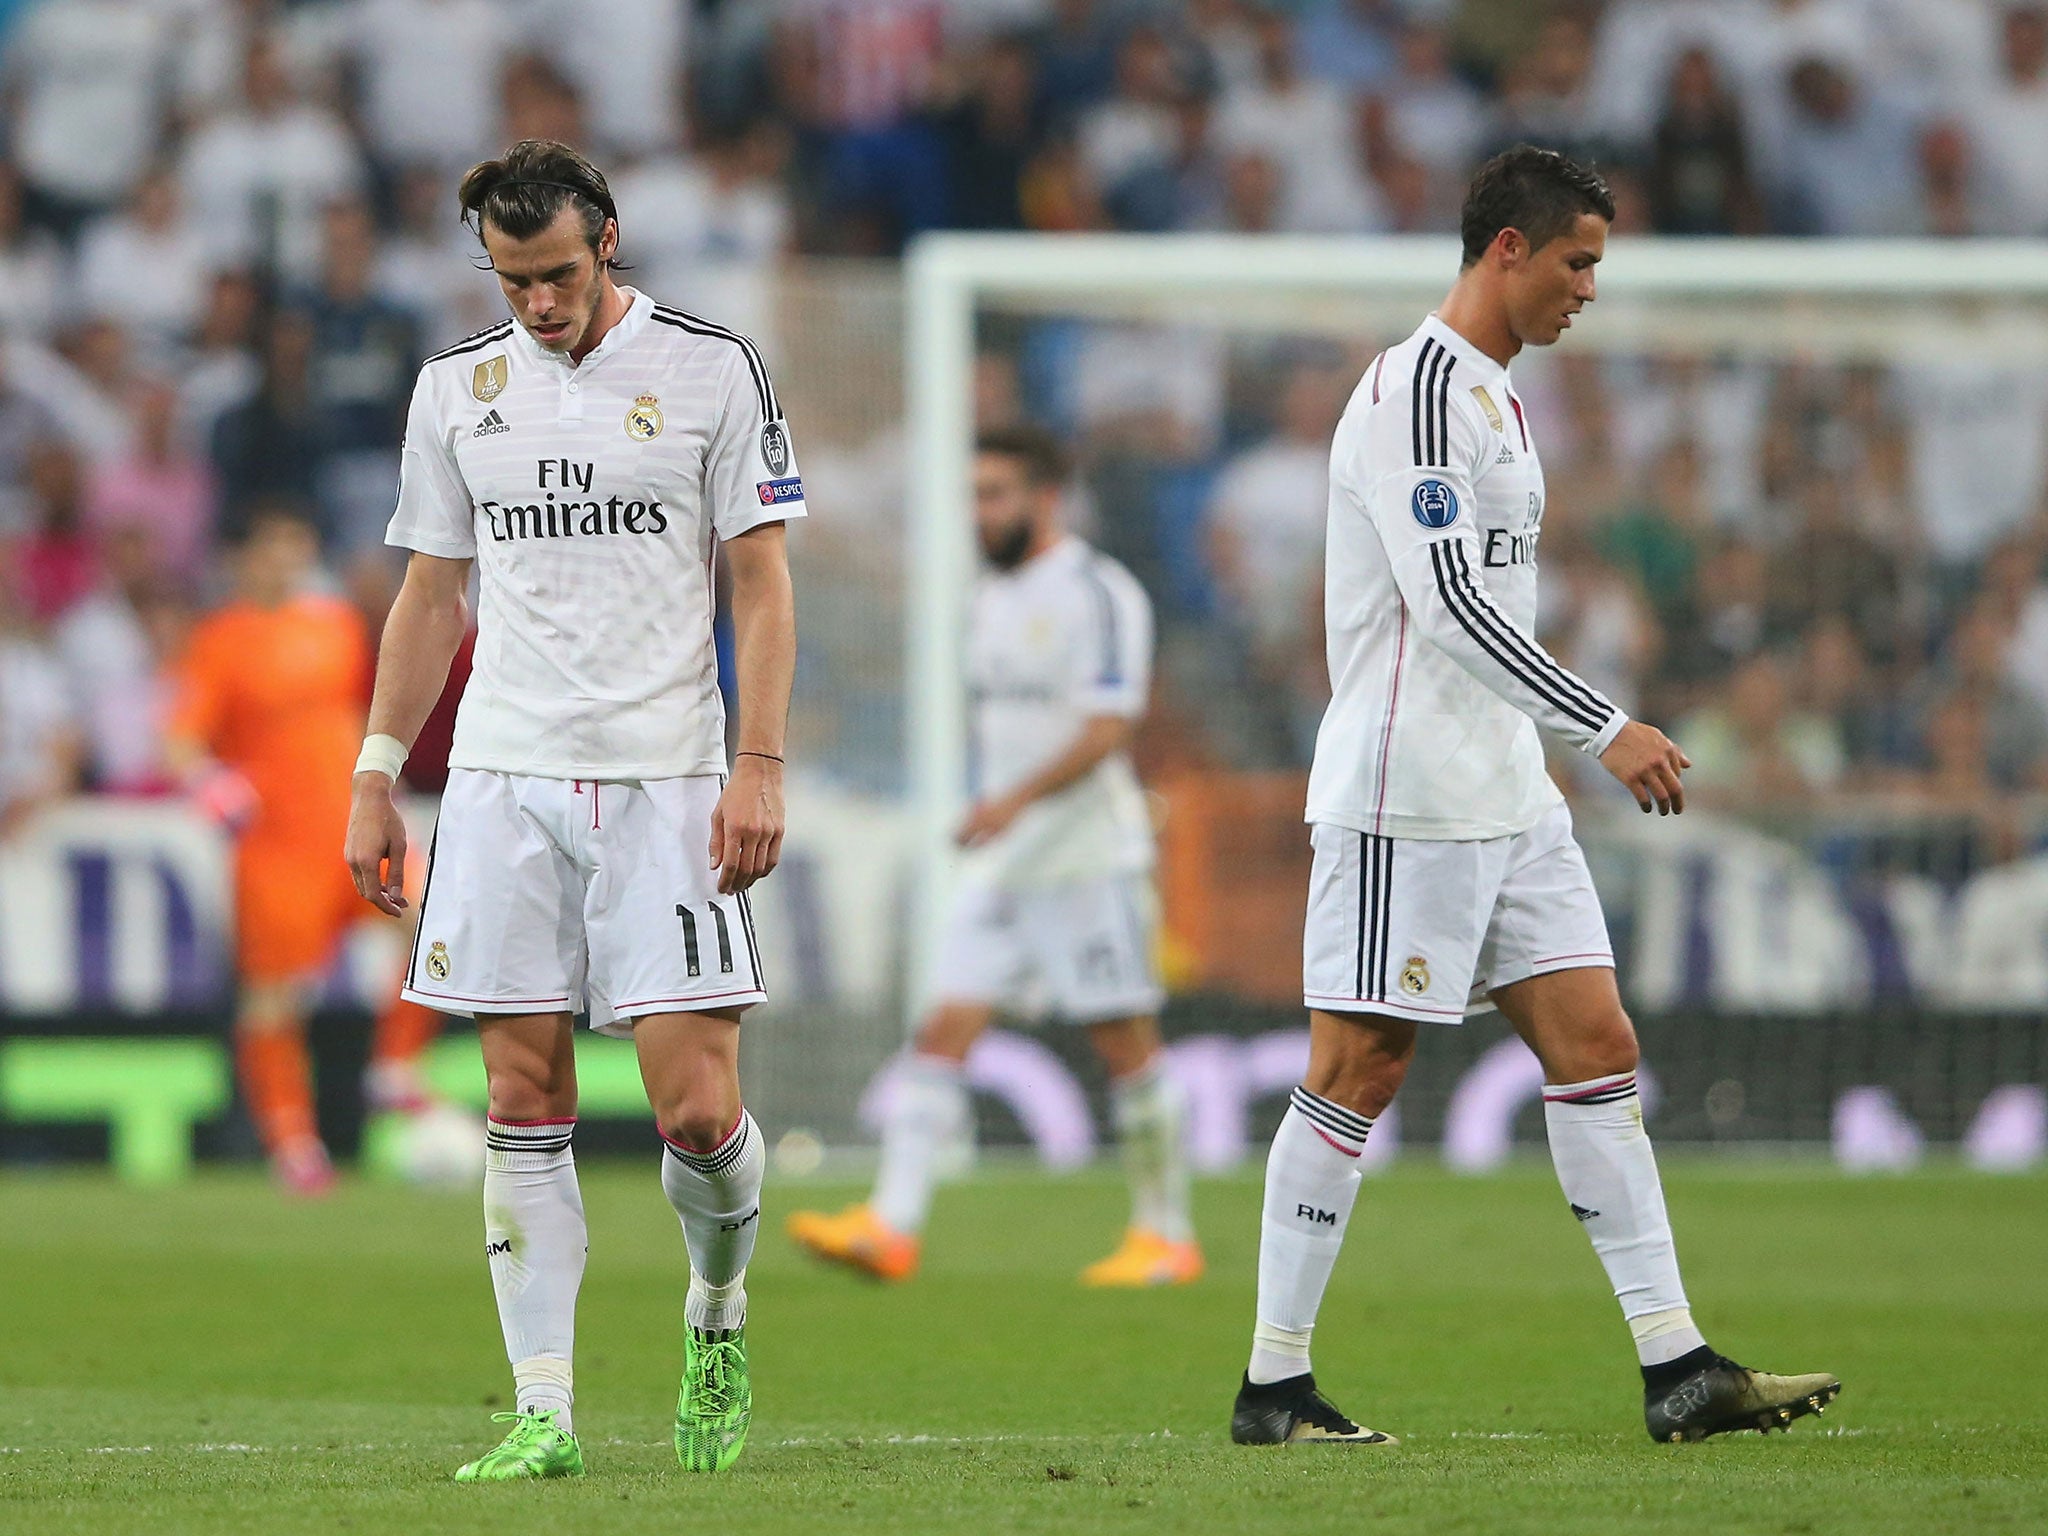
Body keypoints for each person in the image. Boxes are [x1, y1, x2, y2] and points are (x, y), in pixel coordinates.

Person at [1230, 146, 1841, 1449]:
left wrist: (1554, 749)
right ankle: (1274, 1383)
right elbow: (1446, 606)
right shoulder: (1413, 392)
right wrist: (1605, 726)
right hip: (1407, 790)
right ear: (1508, 249)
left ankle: (1678, 1367)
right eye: (1578, 261)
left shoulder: (1498, 399)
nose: (1590, 290)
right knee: (1358, 1065)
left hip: (1506, 790)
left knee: (1598, 1047)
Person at [342, 139, 801, 1483]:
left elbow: (761, 583)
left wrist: (759, 761)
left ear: (608, 238)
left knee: (694, 1113)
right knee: (520, 1090)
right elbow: (431, 596)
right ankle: (542, 1409)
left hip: (668, 777)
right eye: (510, 278)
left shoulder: (713, 367)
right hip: (500, 776)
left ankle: (716, 1312)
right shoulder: (458, 392)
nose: (537, 304)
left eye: (554, 274)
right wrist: (377, 770)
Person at [787, 427, 1199, 1288]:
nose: (982, 513)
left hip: (1087, 856)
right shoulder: (989, 597)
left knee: (1125, 1045)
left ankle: (1166, 1234)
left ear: (1047, 495)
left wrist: (1008, 803)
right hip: (1006, 861)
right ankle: (891, 1226)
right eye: (973, 495)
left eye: (998, 493)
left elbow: (1110, 726)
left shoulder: (1098, 591)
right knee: (941, 1032)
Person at [164, 502, 449, 1194]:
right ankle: (293, 1144)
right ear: (242, 559)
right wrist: (215, 788)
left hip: (349, 823)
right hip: (276, 849)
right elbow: (177, 743)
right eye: (271, 547)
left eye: (296, 545)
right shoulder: (220, 640)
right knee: (274, 999)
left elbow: (360, 713)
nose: (285, 560)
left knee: (437, 925)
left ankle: (393, 1068)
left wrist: (386, 787)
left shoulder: (336, 626)